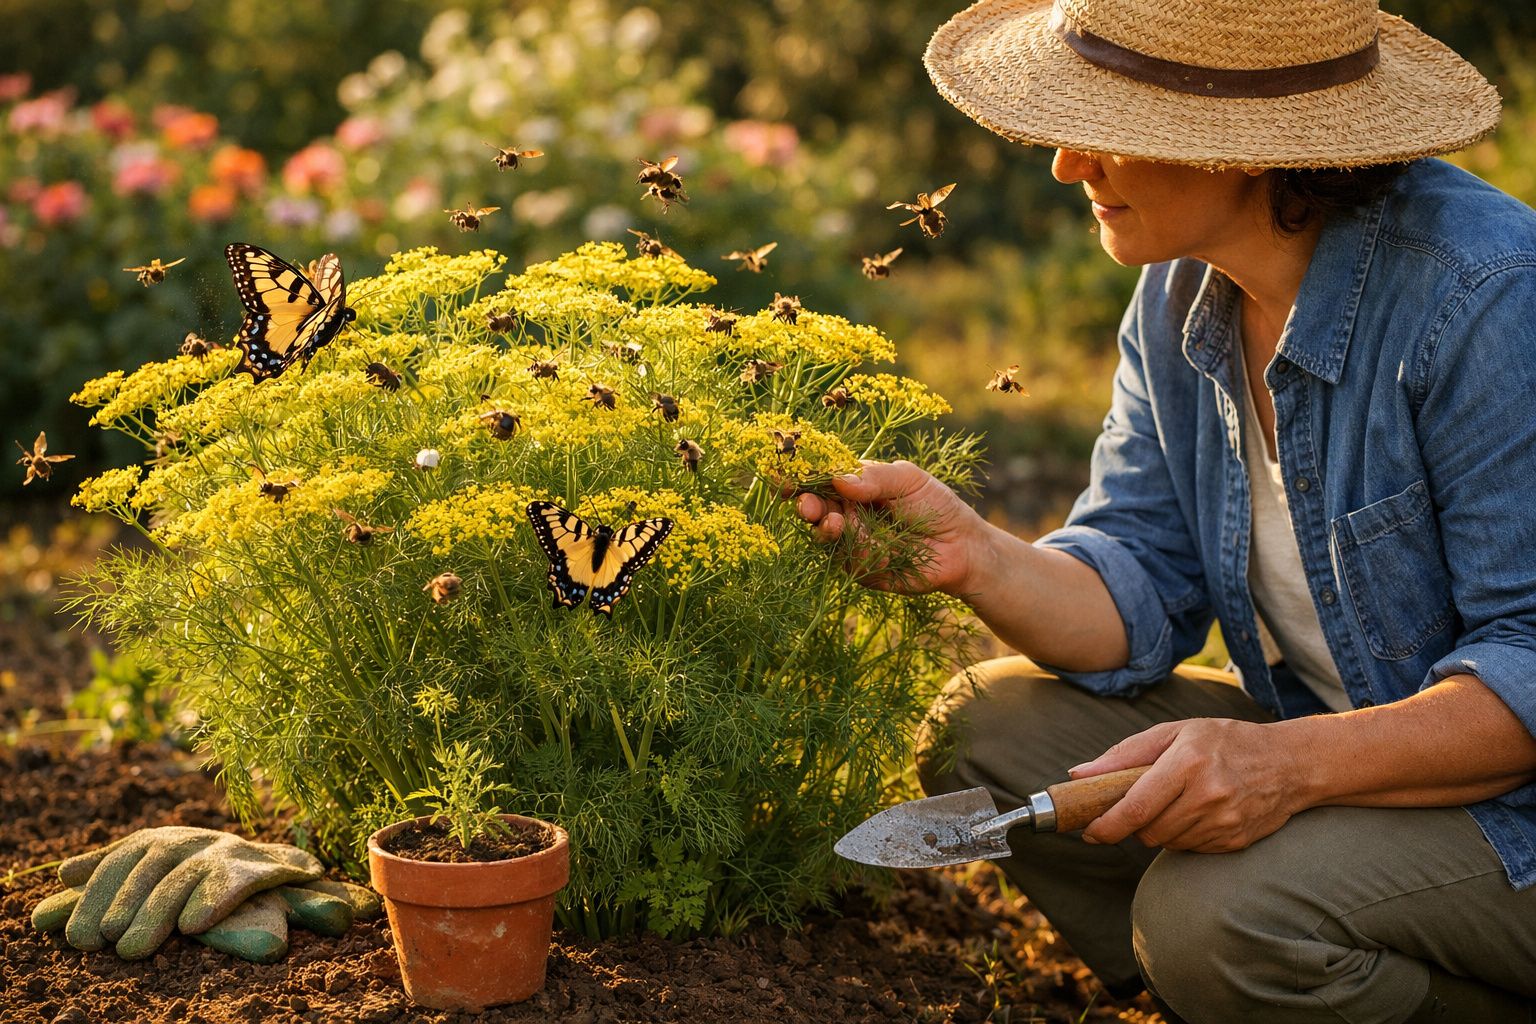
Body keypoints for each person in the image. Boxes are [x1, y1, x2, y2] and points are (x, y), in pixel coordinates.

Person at [794, 1, 1536, 1020]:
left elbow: (1530, 666)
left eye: (1105, 123)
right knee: (992, 730)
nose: (1065, 165)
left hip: (1512, 812)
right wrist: (971, 555)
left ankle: (1256, 955)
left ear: (1242, 150)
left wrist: (1280, 766)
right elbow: (1137, 578)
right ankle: (1258, 979)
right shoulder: (1184, 289)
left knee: (1211, 916)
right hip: (1338, 749)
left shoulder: (1485, 296)